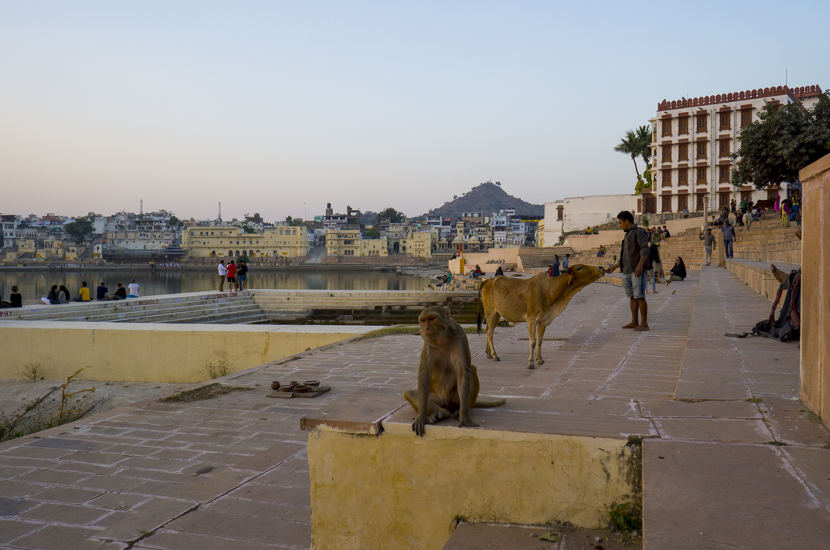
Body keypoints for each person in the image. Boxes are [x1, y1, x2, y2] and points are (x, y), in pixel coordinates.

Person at [605, 210, 650, 331]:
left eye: (621, 223)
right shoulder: (627, 235)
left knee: (640, 297)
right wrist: (614, 267)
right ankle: (635, 322)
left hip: (636, 271)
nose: (620, 225)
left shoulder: (639, 232)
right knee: (632, 297)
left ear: (627, 221)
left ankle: (644, 323)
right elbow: (625, 255)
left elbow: (645, 250)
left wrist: (640, 266)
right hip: (626, 271)